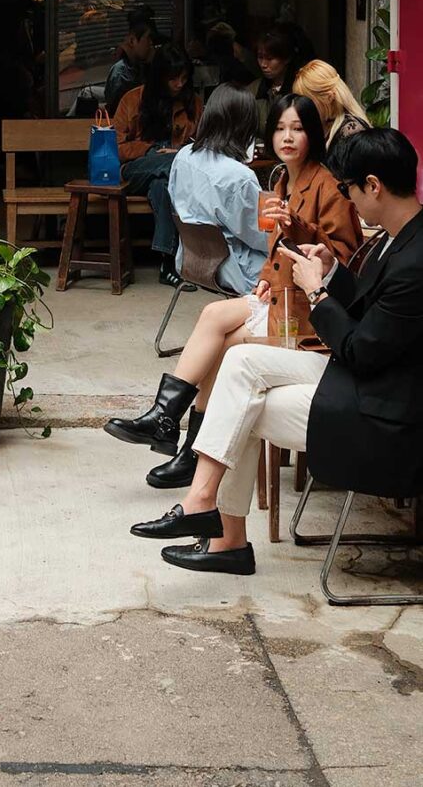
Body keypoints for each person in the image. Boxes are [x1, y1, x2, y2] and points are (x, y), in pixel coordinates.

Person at [129, 127, 423, 576]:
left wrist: (319, 294)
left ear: (373, 186)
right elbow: (373, 313)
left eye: (349, 189)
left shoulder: (413, 257)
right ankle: (208, 511)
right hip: (364, 381)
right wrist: (333, 272)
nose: (350, 200)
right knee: (238, 364)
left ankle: (220, 529)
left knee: (239, 401)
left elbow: (363, 349)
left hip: (385, 413)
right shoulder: (400, 237)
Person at [106, 94, 363, 488]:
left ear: (312, 134)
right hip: (279, 296)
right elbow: (275, 247)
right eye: (279, 128)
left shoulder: (327, 187)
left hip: (308, 317)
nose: (287, 137)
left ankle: (189, 449)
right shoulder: (280, 179)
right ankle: (165, 421)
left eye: (297, 129)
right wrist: (264, 272)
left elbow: (345, 262)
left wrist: (297, 228)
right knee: (211, 316)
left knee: (224, 346)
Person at [114, 43, 203, 287]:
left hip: (171, 174)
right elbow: (117, 148)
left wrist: (178, 153)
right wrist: (151, 151)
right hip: (134, 170)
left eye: (184, 78)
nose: (179, 84)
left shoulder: (192, 103)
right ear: (159, 76)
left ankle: (167, 263)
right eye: (173, 78)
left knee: (163, 185)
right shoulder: (133, 100)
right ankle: (172, 163)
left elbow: (201, 145)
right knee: (171, 166)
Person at [167, 83, 269, 296]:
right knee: (302, 266)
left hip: (191, 260)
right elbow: (261, 238)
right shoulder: (239, 177)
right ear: (245, 127)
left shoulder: (183, 156)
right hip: (234, 270)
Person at [291, 59, 370, 150]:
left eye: (307, 102)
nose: (301, 108)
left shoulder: (352, 132)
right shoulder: (322, 127)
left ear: (329, 98)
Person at [250, 22, 313, 132]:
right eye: (260, 57)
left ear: (286, 58)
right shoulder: (253, 90)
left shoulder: (301, 89)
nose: (263, 64)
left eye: (270, 59)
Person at [104, 6, 158, 114]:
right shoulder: (121, 72)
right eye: (148, 39)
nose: (151, 44)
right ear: (133, 41)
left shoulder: (143, 64)